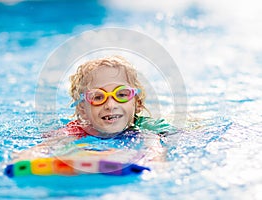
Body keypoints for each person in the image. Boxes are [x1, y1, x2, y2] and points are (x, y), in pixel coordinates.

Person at [12, 55, 172, 166]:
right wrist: (24, 160)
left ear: (137, 103)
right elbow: (44, 147)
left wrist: (155, 164)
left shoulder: (148, 128)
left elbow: (154, 148)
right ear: (82, 109)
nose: (110, 105)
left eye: (121, 95)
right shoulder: (76, 131)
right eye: (97, 97)